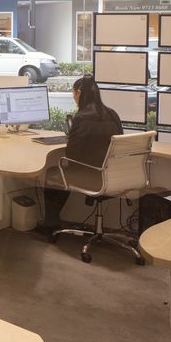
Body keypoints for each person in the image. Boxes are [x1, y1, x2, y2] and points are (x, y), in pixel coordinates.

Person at [42, 74, 123, 230]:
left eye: (73, 94)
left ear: (78, 93)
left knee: (53, 173)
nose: (74, 98)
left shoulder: (81, 118)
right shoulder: (113, 114)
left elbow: (71, 156)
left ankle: (51, 224)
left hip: (92, 177)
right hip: (114, 176)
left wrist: (72, 137)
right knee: (64, 172)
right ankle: (52, 223)